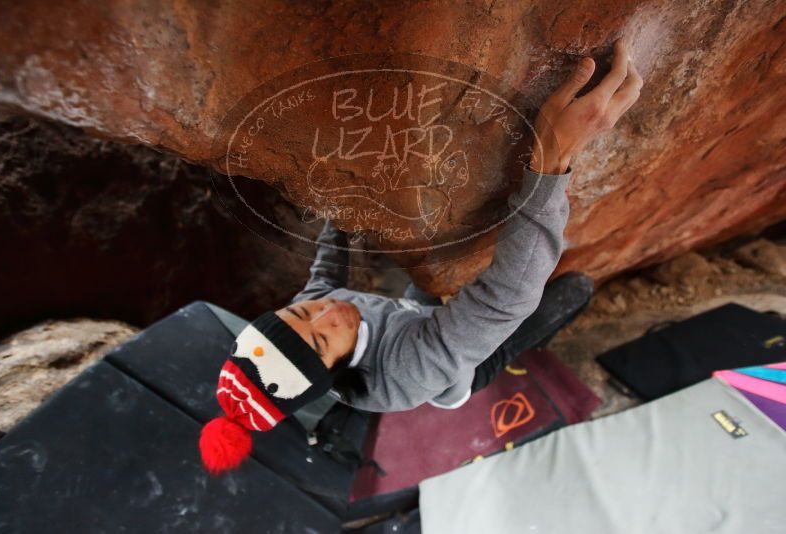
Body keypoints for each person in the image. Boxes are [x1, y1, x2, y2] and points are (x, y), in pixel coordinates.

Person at [199, 38, 642, 474]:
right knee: (569, 291)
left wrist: (347, 190)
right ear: (336, 369)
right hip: (453, 368)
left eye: (301, 311)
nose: (328, 310)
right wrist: (552, 155)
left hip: (411, 316)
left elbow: (327, 268)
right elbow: (507, 297)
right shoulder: (407, 372)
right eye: (321, 339)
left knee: (426, 286)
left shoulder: (317, 315)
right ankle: (525, 344)